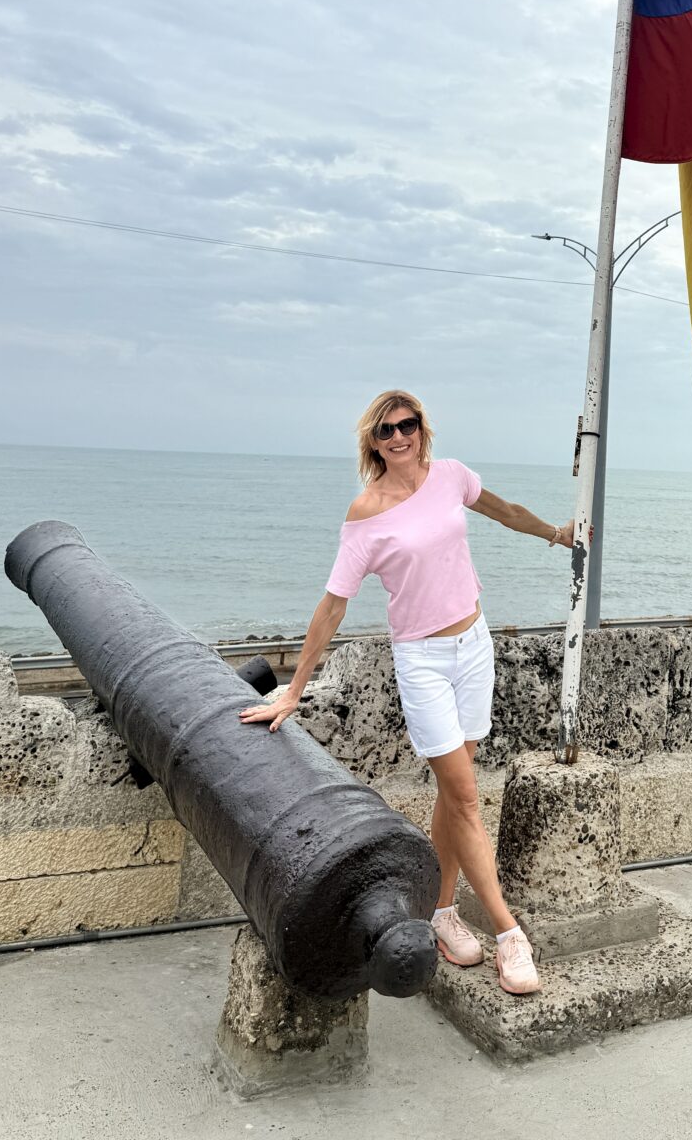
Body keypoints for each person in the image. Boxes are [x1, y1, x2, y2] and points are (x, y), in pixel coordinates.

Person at [239, 389, 574, 996]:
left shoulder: (451, 478)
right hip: (421, 661)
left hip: (474, 646)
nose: (399, 437)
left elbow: (504, 510)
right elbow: (333, 607)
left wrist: (557, 534)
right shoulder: (366, 514)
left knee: (455, 789)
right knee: (468, 797)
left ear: (423, 428)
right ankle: (508, 934)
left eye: (408, 425)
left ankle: (442, 913)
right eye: (386, 430)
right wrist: (293, 690)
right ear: (372, 442)